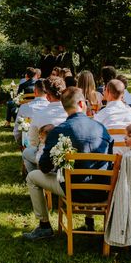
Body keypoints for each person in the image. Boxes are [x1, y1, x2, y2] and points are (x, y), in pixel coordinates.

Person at [23, 87, 113, 240]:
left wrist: (59, 163)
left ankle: (44, 225)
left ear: (65, 107)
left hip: (73, 190)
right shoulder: (101, 128)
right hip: (102, 190)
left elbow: (44, 167)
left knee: (32, 177)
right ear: (81, 103)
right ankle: (89, 220)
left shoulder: (59, 131)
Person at [22, 76, 68, 173]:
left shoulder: (39, 115)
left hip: (47, 159)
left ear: (47, 96)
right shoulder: (70, 113)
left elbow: (33, 142)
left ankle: (37, 178)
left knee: (26, 152)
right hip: (69, 158)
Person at [13, 80, 49, 146]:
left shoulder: (24, 107)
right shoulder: (52, 108)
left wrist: (20, 143)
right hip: (49, 143)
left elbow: (16, 131)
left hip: (29, 144)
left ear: (34, 91)